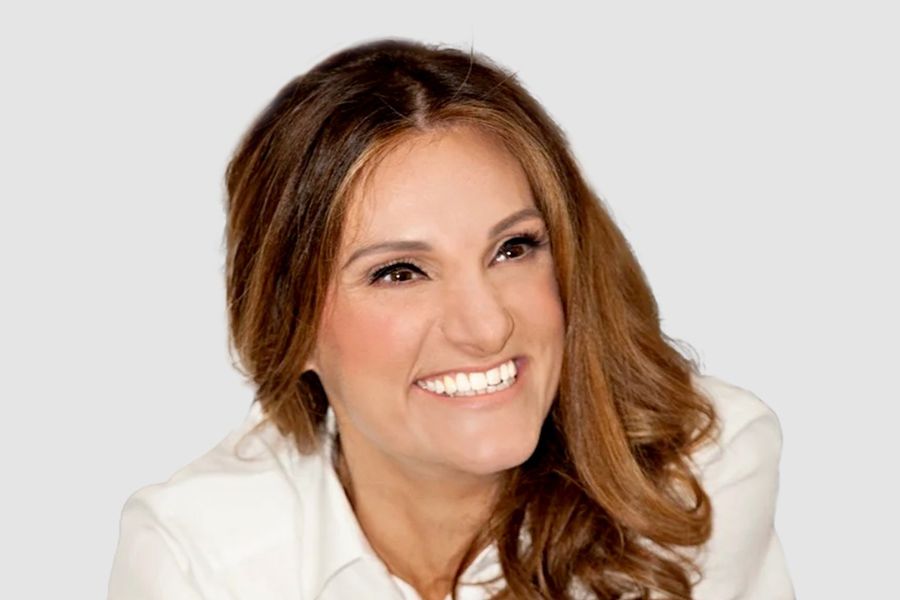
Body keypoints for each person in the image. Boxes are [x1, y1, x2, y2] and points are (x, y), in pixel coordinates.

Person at [108, 38, 794, 600]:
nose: (486, 326)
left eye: (513, 248)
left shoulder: (698, 475)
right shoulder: (196, 556)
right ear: (290, 326)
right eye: (399, 272)